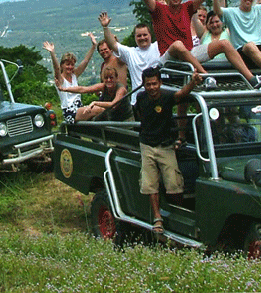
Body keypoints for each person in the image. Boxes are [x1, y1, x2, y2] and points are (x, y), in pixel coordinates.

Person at [135, 66, 203, 233]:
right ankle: (158, 218)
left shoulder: (167, 96)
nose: (152, 88)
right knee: (150, 184)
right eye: (148, 84)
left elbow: (181, 94)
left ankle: (180, 215)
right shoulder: (141, 97)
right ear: (144, 85)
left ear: (160, 83)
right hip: (147, 145)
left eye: (154, 84)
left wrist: (193, 83)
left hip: (166, 146)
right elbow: (138, 116)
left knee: (174, 183)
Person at [99, 13, 160, 107]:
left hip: (158, 97)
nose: (142, 38)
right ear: (135, 37)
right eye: (139, 36)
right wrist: (105, 27)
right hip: (138, 100)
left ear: (150, 35)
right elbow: (113, 44)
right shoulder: (130, 53)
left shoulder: (158, 46)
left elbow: (168, 31)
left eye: (145, 35)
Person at [42, 34, 96, 124]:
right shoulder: (61, 80)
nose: (70, 67)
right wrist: (52, 53)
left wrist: (93, 46)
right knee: (98, 109)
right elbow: (56, 68)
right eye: (67, 64)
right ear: (62, 65)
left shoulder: (74, 75)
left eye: (72, 64)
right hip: (70, 112)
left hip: (79, 108)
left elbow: (85, 61)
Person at [56, 66, 133, 122]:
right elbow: (83, 89)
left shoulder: (121, 89)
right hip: (114, 118)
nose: (109, 80)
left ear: (116, 78)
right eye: (106, 78)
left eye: (111, 77)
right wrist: (64, 89)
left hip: (126, 120)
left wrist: (94, 103)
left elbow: (113, 105)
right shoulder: (103, 86)